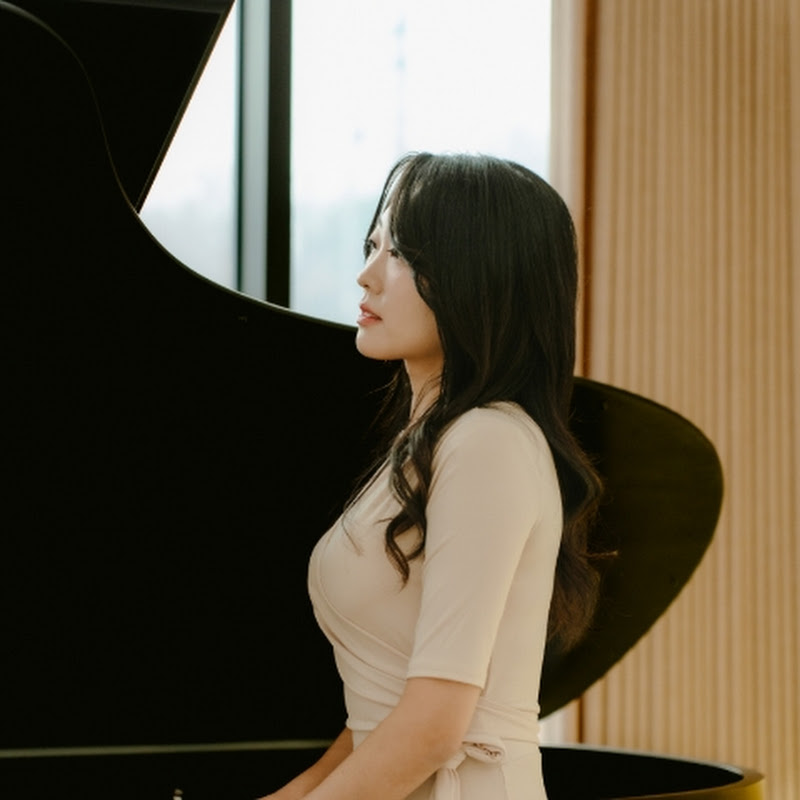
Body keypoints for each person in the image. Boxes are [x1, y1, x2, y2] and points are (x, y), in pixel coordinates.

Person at [260, 152, 602, 800]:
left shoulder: (488, 443)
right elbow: (380, 715)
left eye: (401, 255)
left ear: (478, 277)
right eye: (373, 246)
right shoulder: (429, 446)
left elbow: (434, 728)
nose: (366, 275)